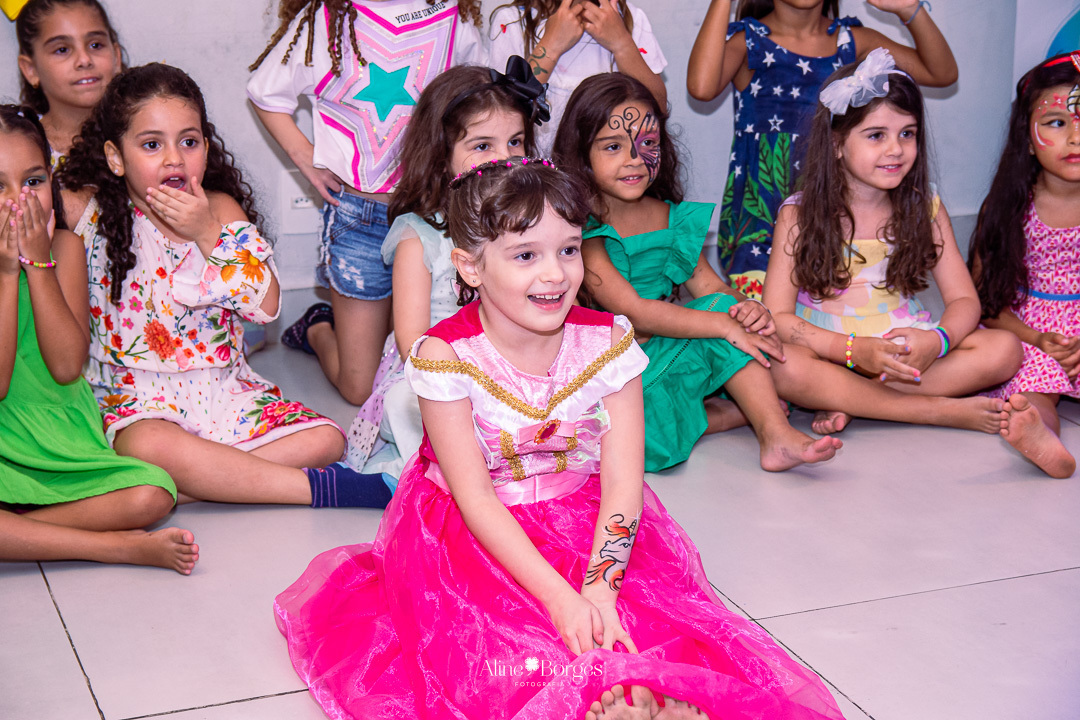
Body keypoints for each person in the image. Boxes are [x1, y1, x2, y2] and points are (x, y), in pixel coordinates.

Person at [275, 157, 846, 720]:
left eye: (569, 249)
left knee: (644, 633)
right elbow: (474, 499)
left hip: (589, 521)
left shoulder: (607, 343)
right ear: (470, 267)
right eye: (526, 255)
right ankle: (600, 702)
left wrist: (598, 587)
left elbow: (624, 481)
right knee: (514, 659)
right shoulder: (445, 356)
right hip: (473, 539)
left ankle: (640, 697)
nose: (555, 273)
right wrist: (561, 598)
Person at [58, 64, 391, 508]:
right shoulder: (89, 211)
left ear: (206, 148)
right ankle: (311, 489)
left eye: (189, 141)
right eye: (152, 144)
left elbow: (268, 304)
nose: (174, 158)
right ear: (116, 157)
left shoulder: (219, 208)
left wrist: (207, 233)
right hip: (137, 398)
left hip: (224, 391)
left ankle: (191, 485)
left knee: (327, 439)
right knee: (149, 446)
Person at [554, 72, 841, 472]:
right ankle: (766, 423)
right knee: (722, 328)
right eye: (613, 146)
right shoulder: (583, 233)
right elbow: (635, 312)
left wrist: (749, 310)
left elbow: (711, 287)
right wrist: (725, 323)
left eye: (648, 144)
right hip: (617, 376)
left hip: (665, 356)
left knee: (753, 327)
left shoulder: (671, 219)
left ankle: (767, 417)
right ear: (581, 154)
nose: (634, 159)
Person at [763, 50, 1021, 435]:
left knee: (1004, 350)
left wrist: (937, 341)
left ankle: (851, 399)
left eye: (907, 134)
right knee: (783, 368)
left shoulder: (926, 208)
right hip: (832, 350)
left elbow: (966, 302)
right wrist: (853, 351)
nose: (896, 149)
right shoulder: (798, 215)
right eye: (876, 135)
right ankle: (932, 410)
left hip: (903, 348)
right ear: (836, 145)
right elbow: (778, 317)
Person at [248, 0, 484, 405]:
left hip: (437, 215)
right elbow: (265, 92)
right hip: (361, 217)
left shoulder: (451, 16)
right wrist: (307, 157)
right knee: (360, 389)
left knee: (426, 361)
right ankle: (318, 327)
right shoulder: (325, 20)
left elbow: (484, 97)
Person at [0, 105, 197, 574]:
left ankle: (20, 533)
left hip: (59, 434)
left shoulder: (65, 249)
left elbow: (67, 366)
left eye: (32, 182)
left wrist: (36, 265)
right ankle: (111, 546)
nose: (18, 202)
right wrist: (8, 275)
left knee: (154, 493)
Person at [347, 59, 545, 478]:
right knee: (411, 405)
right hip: (439, 371)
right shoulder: (419, 237)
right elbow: (412, 346)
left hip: (511, 361)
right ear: (441, 157)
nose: (503, 159)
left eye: (515, 142)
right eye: (482, 146)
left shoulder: (535, 224)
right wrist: (474, 379)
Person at [687, 0, 957, 298]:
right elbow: (701, 87)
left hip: (836, 230)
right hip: (759, 230)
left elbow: (941, 73)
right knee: (768, 330)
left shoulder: (853, 41)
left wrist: (909, 9)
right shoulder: (748, 41)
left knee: (831, 332)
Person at [968, 52, 1080, 479]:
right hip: (1027, 331)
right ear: (1027, 137)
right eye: (1056, 122)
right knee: (1034, 390)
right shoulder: (1008, 208)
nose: (1075, 138)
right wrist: (1038, 338)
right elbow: (986, 302)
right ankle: (1042, 436)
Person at [489, 0, 666, 153]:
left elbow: (658, 108)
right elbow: (502, 115)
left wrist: (621, 44)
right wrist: (550, 46)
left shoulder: (627, 18)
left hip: (610, 178)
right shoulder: (511, 21)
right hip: (538, 178)